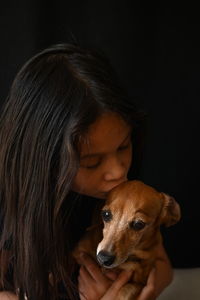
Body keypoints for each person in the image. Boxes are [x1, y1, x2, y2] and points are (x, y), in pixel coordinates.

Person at [0, 43, 173, 300]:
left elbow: (162, 265)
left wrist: (138, 289)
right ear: (44, 162)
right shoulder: (8, 207)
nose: (118, 171)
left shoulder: (122, 194)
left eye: (124, 146)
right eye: (92, 162)